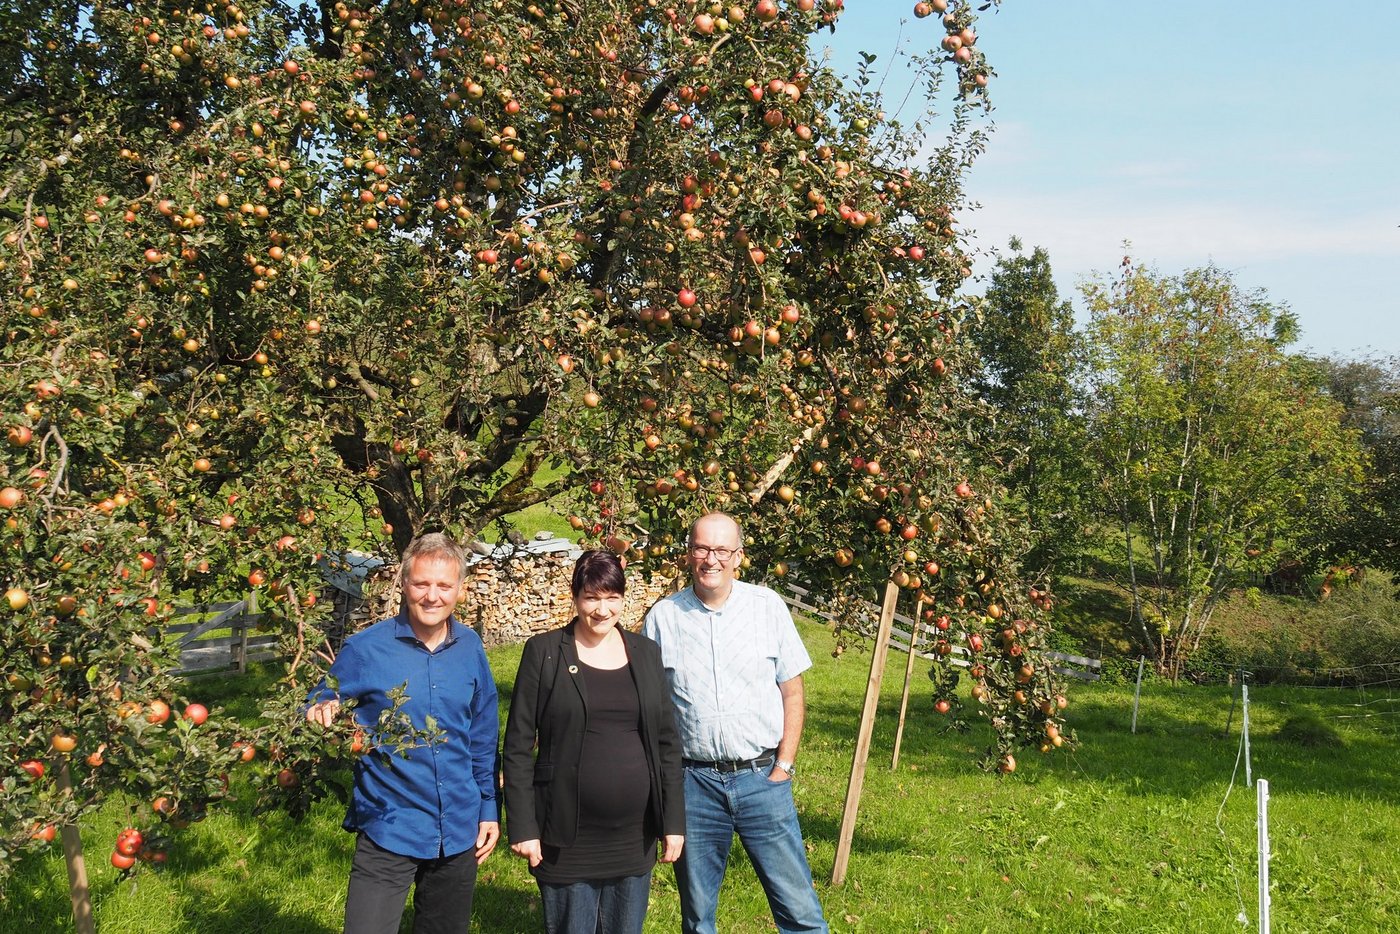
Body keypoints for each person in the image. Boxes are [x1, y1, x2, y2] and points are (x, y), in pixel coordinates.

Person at [643, 512, 829, 934]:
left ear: (738, 556)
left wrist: (784, 766)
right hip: (694, 784)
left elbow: (792, 691)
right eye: (702, 548)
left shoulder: (767, 607)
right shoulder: (663, 618)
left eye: (722, 550)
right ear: (688, 554)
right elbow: (651, 708)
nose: (712, 559)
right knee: (698, 915)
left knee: (799, 911)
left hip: (761, 777)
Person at [306, 533, 500, 934]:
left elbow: (481, 735)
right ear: (404, 583)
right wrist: (320, 711)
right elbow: (317, 701)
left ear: (460, 590)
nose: (432, 596)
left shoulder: (471, 648)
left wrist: (487, 807)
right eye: (422, 583)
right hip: (389, 826)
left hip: (458, 830)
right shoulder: (366, 650)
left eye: (444, 585)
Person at [502, 550, 685, 934]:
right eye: (592, 597)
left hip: (634, 837)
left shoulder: (646, 653)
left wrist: (672, 821)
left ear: (623, 598)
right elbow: (518, 745)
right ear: (575, 598)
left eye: (612, 597)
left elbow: (667, 745)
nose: (602, 609)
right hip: (567, 836)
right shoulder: (545, 652)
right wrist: (523, 826)